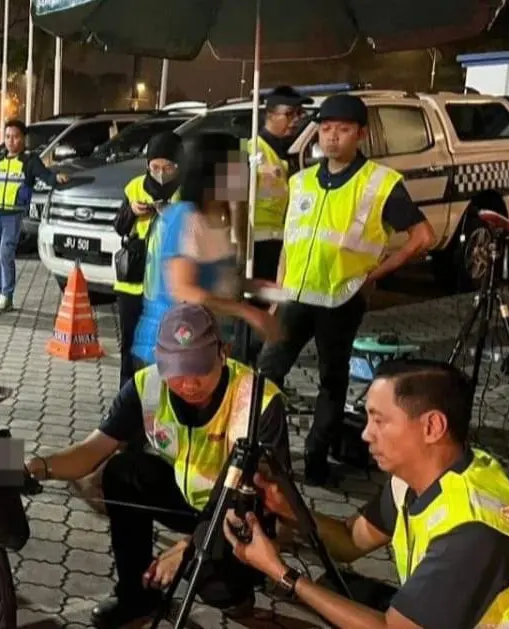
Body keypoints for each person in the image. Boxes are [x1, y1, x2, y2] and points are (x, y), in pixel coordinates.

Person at [24, 304, 289, 628]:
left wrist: (190, 548)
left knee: (216, 588)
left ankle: (239, 588)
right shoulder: (146, 385)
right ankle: (136, 598)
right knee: (122, 470)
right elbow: (90, 450)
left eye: (199, 370)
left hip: (239, 517)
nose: (188, 384)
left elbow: (264, 500)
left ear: (224, 353)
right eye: (177, 373)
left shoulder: (259, 399)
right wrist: (31, 466)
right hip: (186, 498)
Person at [225, 359, 509, 629]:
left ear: (432, 426)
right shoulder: (420, 478)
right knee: (333, 590)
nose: (365, 433)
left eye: (379, 420)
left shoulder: (474, 528)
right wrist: (290, 511)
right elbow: (351, 541)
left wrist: (281, 573)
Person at [257, 94, 435, 485]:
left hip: (341, 299)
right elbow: (291, 242)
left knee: (331, 381)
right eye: (325, 129)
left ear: (360, 134)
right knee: (265, 376)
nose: (332, 137)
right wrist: (276, 298)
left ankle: (317, 460)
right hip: (294, 298)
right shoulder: (301, 180)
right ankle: (265, 455)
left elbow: (423, 236)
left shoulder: (380, 183)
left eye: (342, 129)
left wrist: (377, 273)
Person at [133, 132, 280, 371]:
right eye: (238, 172)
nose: (244, 181)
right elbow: (185, 291)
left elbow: (220, 280)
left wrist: (258, 287)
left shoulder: (218, 218)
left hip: (203, 348)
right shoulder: (184, 217)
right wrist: (247, 312)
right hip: (168, 350)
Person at [114, 131, 182, 388]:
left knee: (167, 347)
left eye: (168, 167)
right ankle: (126, 397)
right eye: (155, 167)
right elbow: (119, 226)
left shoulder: (186, 191)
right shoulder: (134, 186)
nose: (161, 173)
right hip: (133, 284)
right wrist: (131, 211)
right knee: (130, 346)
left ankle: (164, 396)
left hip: (170, 287)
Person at [0, 119, 69, 312]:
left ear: (23, 139)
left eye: (16, 137)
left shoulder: (30, 161)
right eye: (8, 137)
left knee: (6, 254)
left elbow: (46, 176)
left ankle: (7, 295)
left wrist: (57, 179)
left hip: (12, 216)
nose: (11, 141)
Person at [246, 85, 308, 282]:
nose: (296, 120)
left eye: (299, 114)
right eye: (289, 114)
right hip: (254, 246)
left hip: (279, 242)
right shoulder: (249, 151)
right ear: (270, 115)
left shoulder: (285, 151)